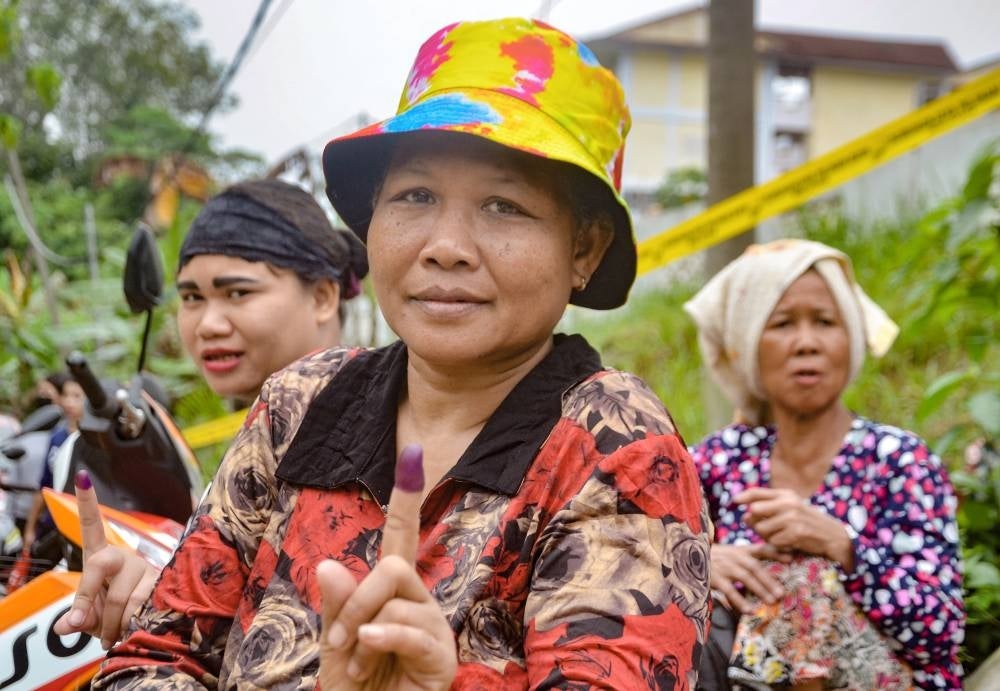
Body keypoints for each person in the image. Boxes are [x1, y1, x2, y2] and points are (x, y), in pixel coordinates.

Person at [91, 17, 711, 690]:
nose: (445, 245)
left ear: (583, 250)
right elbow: (155, 656)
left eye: (504, 206)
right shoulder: (301, 401)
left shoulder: (614, 443)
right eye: (415, 195)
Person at [53, 178, 369, 649]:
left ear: (323, 297)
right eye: (192, 298)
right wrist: (157, 594)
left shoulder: (377, 433)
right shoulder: (260, 442)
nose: (208, 324)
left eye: (237, 293)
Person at [684, 239, 964, 690]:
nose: (806, 343)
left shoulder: (899, 460)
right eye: (781, 324)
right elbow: (632, 558)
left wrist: (843, 547)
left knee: (800, 575)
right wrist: (697, 560)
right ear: (747, 344)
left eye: (825, 322)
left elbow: (941, 634)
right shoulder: (716, 462)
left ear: (849, 338)